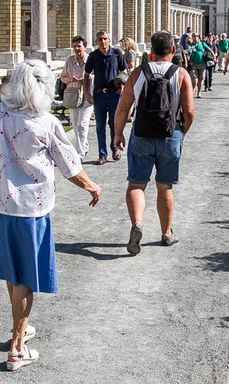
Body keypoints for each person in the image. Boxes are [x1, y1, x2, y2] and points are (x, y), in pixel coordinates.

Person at [0, 60, 102, 371]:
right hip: (29, 208)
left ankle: (21, 328)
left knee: (12, 273)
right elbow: (70, 167)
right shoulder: (45, 122)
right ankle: (16, 347)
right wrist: (92, 186)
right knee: (25, 275)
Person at [114, 31, 195, 255]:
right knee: (164, 186)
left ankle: (137, 225)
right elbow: (188, 111)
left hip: (141, 133)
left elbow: (123, 108)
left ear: (151, 52)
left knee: (136, 184)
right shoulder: (181, 74)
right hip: (171, 134)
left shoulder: (139, 72)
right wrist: (182, 132)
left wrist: (117, 134)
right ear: (172, 51)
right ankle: (167, 233)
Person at [84, 30, 127, 165]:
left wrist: (122, 86)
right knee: (100, 126)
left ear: (109, 40)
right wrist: (87, 93)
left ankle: (115, 149)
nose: (103, 42)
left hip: (114, 93)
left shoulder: (116, 53)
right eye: (100, 39)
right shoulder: (93, 56)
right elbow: (86, 75)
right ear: (96, 42)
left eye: (105, 39)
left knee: (114, 124)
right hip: (99, 94)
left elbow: (124, 71)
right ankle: (102, 154)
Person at [59, 35, 92, 158]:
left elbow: (97, 77)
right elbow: (63, 78)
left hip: (87, 96)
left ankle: (79, 153)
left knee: (82, 124)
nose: (77, 49)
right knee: (75, 124)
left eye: (79, 46)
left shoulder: (90, 60)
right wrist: (70, 79)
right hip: (73, 97)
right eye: (75, 47)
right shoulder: (69, 60)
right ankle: (84, 146)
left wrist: (86, 79)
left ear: (85, 47)